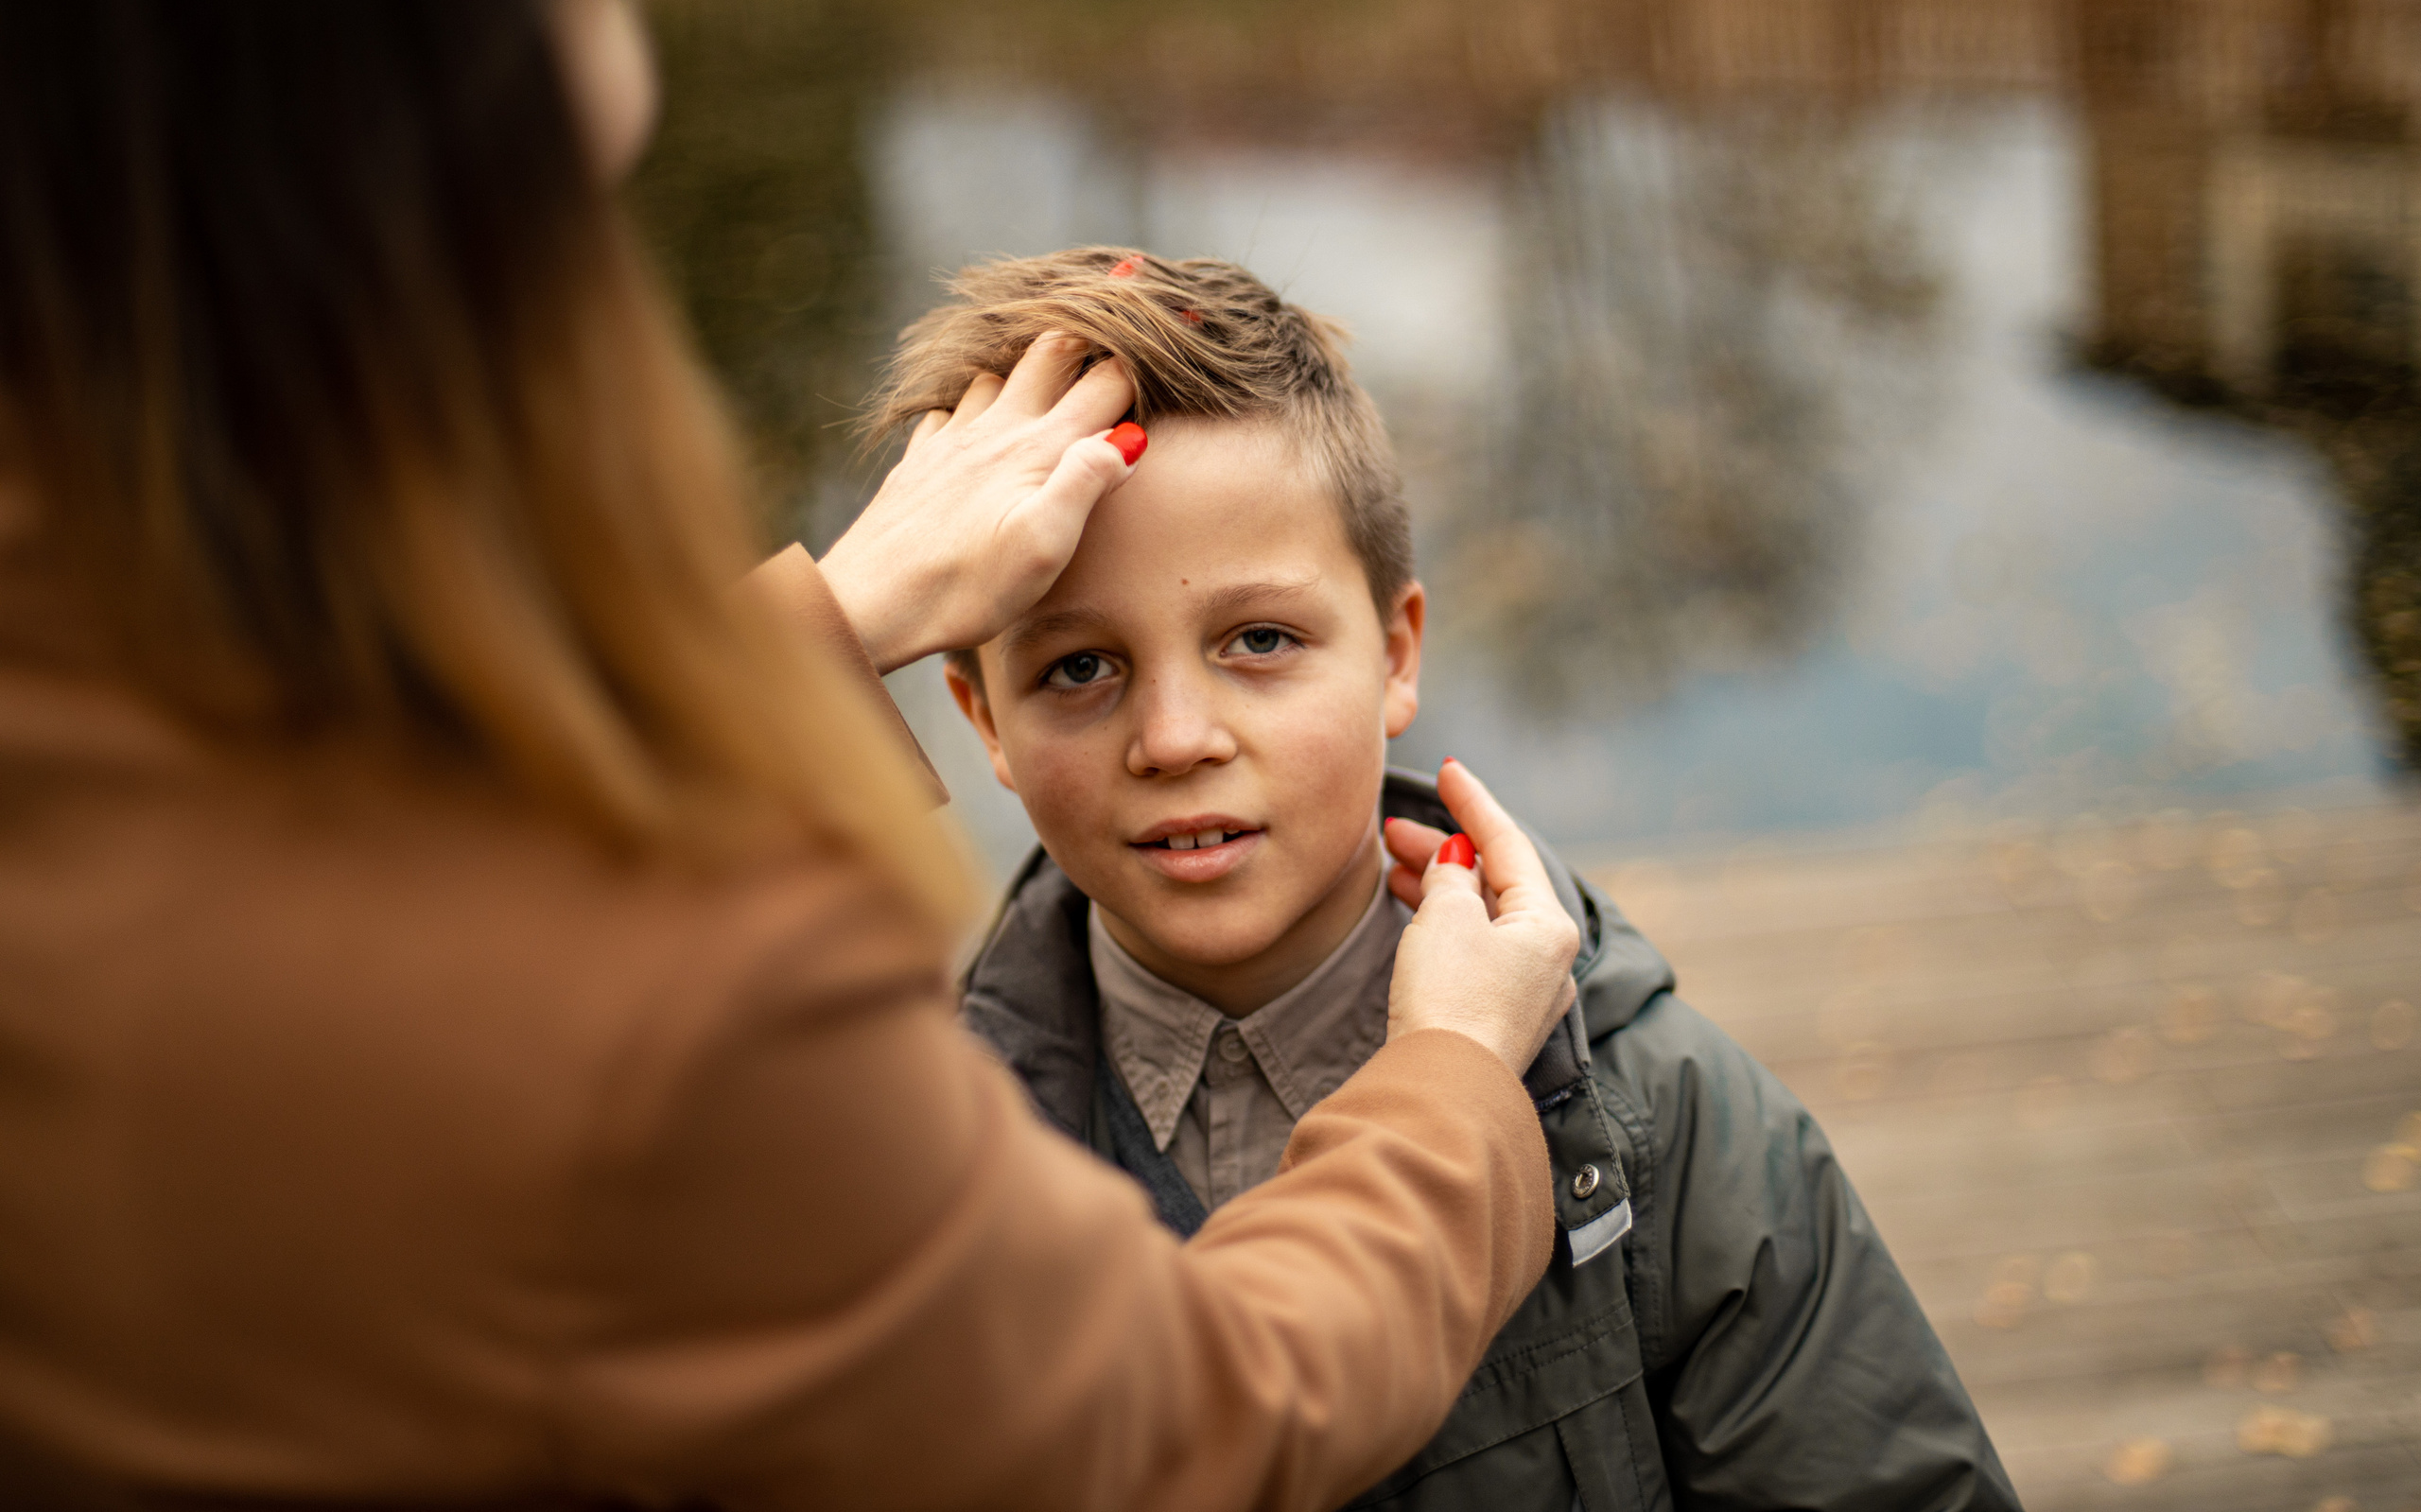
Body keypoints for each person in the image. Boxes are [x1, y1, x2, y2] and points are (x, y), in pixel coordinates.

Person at [0, 5, 1590, 1508]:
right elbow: (1180, 1430)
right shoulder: (686, 1016)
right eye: (589, 192)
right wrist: (1447, 1078)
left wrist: (825, 621)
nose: (1179, 737)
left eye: (1258, 641)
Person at [896, 249, 2028, 1510]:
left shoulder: (1654, 1120)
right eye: (1076, 669)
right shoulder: (901, 1166)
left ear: (1394, 654)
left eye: (1259, 640)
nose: (1174, 737)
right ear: (980, 719)